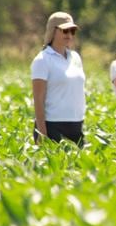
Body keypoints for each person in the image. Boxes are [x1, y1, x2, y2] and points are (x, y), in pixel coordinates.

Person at [31, 11, 86, 146]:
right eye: (65, 31)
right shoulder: (42, 60)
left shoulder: (75, 57)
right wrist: (42, 133)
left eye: (72, 31)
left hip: (76, 125)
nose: (69, 35)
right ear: (52, 31)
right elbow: (38, 99)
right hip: (53, 125)